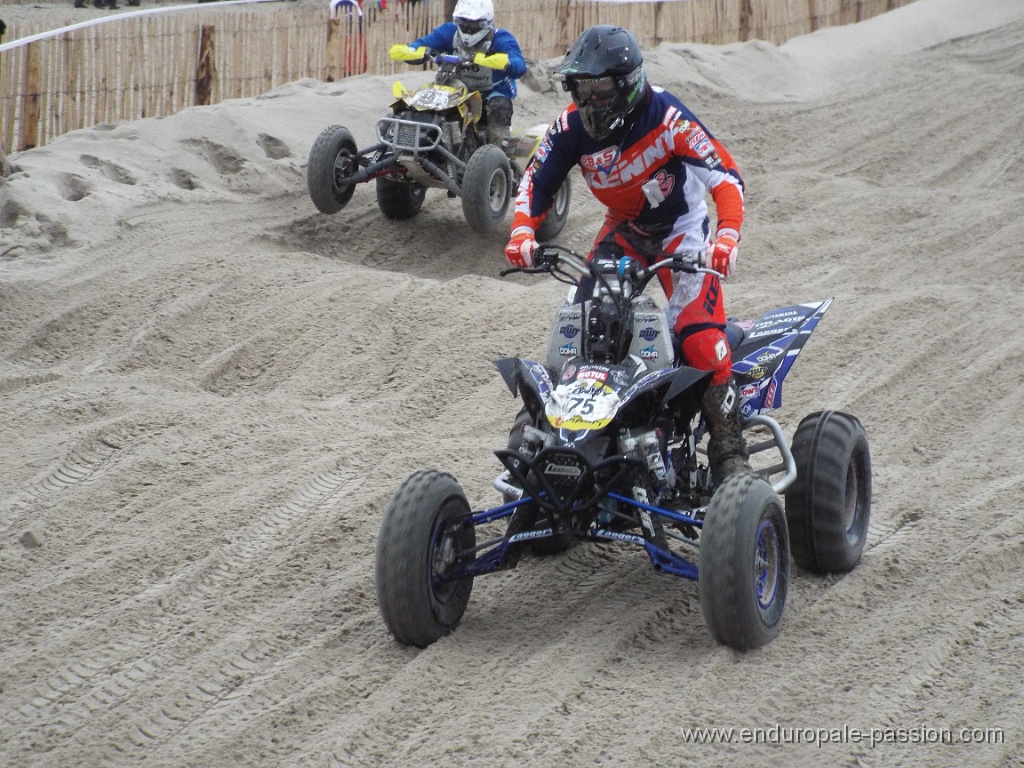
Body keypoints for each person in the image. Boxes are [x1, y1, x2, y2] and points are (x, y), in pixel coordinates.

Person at [504, 24, 752, 483]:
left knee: (697, 337)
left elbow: (725, 175)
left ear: (627, 83)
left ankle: (729, 449)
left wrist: (727, 237)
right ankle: (576, 444)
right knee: (580, 328)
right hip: (624, 229)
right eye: (581, 88)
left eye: (600, 87)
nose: (590, 99)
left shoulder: (667, 116)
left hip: (683, 230)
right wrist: (522, 232)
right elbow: (536, 181)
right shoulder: (570, 126)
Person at [390, 0, 526, 147]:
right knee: (420, 101)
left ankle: (498, 152)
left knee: (500, 106)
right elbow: (423, 45)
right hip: (455, 87)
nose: (467, 29)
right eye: (463, 23)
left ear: (486, 23)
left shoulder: (500, 38)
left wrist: (506, 63)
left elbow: (519, 64)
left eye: (473, 25)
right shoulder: (449, 32)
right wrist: (411, 51)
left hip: (491, 92)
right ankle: (406, 138)